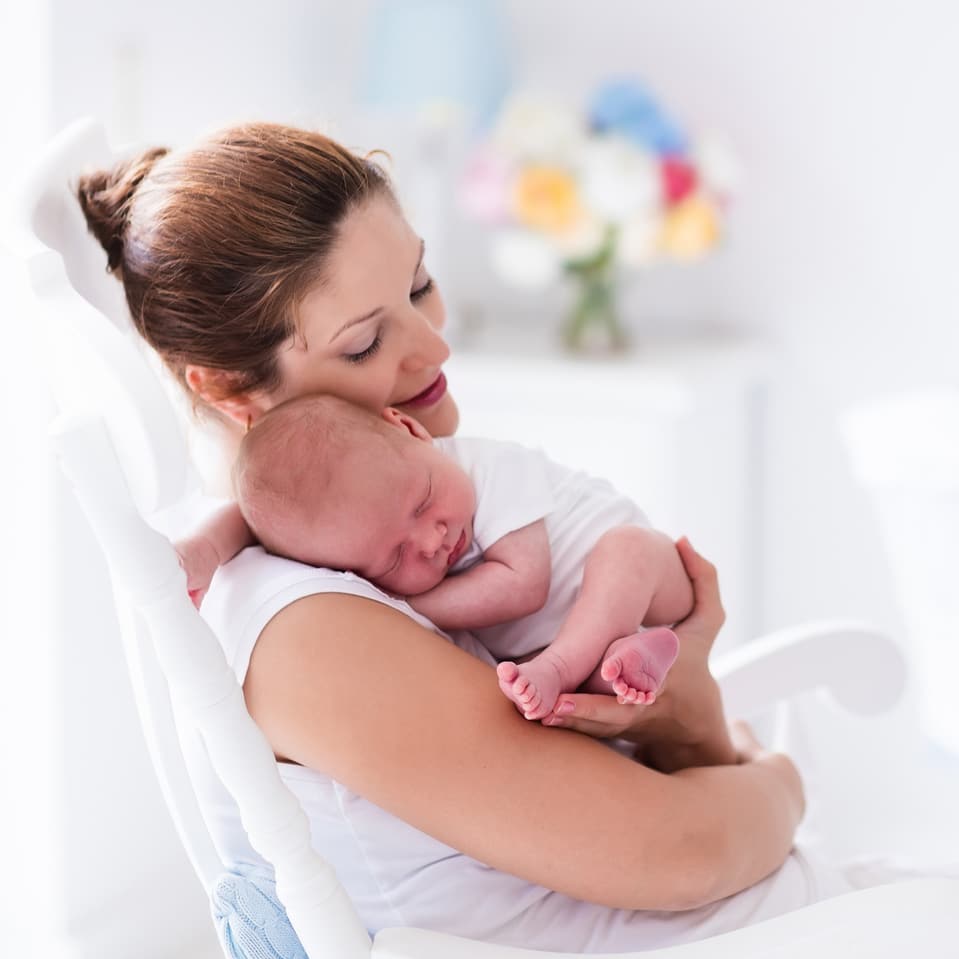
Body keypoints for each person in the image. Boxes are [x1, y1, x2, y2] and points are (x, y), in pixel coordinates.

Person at [75, 121, 888, 952]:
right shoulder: (306, 631)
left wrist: (694, 722)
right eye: (363, 342)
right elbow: (682, 851)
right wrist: (779, 779)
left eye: (419, 284)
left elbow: (676, 792)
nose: (434, 344)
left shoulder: (389, 537)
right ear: (229, 391)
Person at [179, 392, 686, 719]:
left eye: (422, 501)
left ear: (409, 430)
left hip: (652, 583)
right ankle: (629, 662)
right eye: (394, 557)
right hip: (581, 651)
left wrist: (403, 603)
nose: (432, 540)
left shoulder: (490, 467)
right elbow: (261, 519)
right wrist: (205, 550)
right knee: (563, 692)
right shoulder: (352, 525)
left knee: (627, 549)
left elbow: (524, 585)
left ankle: (582, 661)